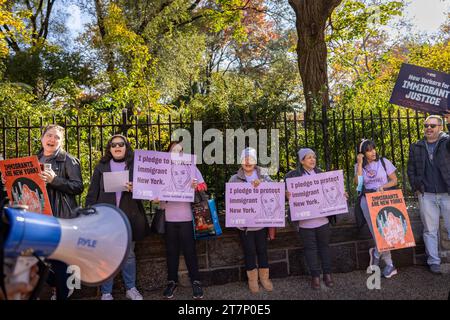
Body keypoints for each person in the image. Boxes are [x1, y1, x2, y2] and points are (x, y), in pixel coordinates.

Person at [85, 134, 148, 300]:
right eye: (114, 145)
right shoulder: (101, 166)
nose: (117, 147)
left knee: (129, 255)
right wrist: (89, 215)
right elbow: (92, 193)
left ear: (126, 147)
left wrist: (136, 188)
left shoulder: (135, 165)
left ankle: (131, 288)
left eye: (121, 144)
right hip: (107, 218)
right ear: (109, 148)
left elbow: (149, 190)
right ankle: (106, 292)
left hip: (130, 216)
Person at [37, 124, 84, 300]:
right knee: (35, 258)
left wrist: (55, 180)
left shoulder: (68, 160)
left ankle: (63, 291)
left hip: (61, 217)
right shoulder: (34, 160)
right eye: (49, 135)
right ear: (42, 138)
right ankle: (60, 283)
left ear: (62, 141)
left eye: (57, 137)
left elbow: (78, 187)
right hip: (39, 217)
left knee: (59, 261)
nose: (52, 140)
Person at [157, 141, 205, 300]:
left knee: (190, 251)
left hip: (186, 218)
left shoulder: (191, 168)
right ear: (168, 153)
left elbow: (202, 189)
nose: (177, 153)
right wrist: (156, 198)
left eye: (180, 151)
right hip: (169, 218)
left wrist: (195, 186)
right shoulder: (162, 170)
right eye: (173, 150)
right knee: (171, 253)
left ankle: (196, 282)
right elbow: (155, 195)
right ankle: (172, 282)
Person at [285, 148, 337, 289]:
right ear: (302, 161)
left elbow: (332, 191)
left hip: (323, 221)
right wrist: (287, 195)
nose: (312, 160)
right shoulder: (292, 176)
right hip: (305, 222)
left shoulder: (322, 174)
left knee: (324, 248)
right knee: (310, 249)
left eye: (313, 157)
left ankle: (327, 274)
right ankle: (315, 276)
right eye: (309, 157)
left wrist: (340, 196)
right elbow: (284, 195)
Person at [407, 114, 450, 275]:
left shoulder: (446, 142)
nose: (428, 128)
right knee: (429, 230)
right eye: (426, 126)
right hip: (426, 195)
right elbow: (410, 169)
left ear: (440, 128)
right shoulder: (416, 146)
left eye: (432, 126)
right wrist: (416, 186)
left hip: (447, 193)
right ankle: (434, 261)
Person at [228, 147, 274, 294]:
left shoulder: (264, 176)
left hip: (261, 224)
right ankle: (252, 281)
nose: (248, 162)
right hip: (245, 226)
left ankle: (265, 279)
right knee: (249, 251)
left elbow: (275, 190)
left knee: (262, 251)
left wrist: (262, 185)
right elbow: (231, 200)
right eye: (245, 159)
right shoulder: (234, 179)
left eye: (251, 159)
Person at [355, 139, 398, 278]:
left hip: (385, 199)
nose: (373, 152)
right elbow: (358, 185)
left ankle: (380, 256)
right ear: (362, 153)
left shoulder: (384, 162)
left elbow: (394, 180)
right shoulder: (359, 166)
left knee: (386, 231)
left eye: (373, 148)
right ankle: (387, 262)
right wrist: (360, 164)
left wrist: (382, 187)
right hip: (367, 201)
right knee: (377, 232)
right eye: (368, 150)